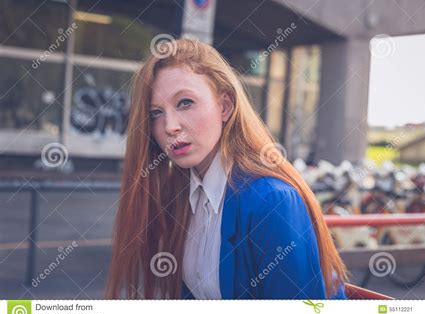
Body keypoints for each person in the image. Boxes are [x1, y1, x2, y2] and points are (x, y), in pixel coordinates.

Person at [106, 38, 347, 299]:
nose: (169, 126)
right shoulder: (179, 194)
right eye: (155, 113)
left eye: (185, 103)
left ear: (225, 106)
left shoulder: (271, 201)